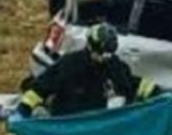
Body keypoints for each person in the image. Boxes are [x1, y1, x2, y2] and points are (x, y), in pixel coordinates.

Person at [18, 23, 156, 118]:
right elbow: (41, 87)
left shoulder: (115, 66)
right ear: (90, 47)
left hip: (99, 130)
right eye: (101, 54)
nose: (104, 58)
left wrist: (155, 93)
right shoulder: (69, 65)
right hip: (68, 127)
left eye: (108, 54)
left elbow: (131, 84)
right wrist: (26, 106)